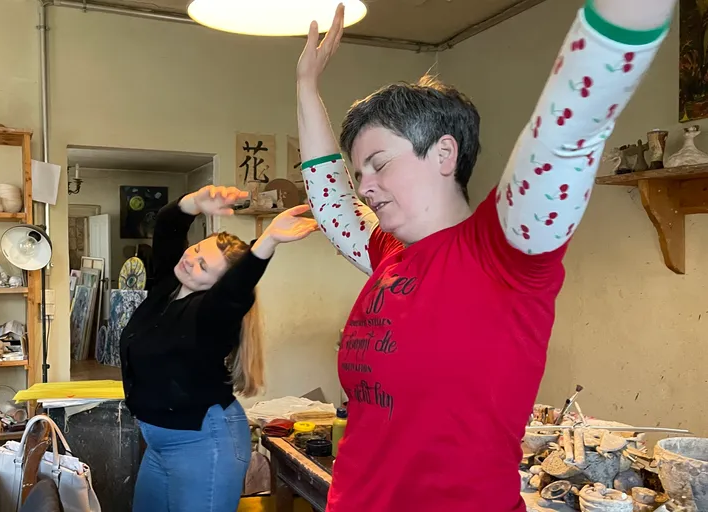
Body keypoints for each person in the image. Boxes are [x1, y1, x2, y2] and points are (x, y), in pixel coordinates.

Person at [296, 1, 673, 510]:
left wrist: (621, 21)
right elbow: (332, 201)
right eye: (360, 172)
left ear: (444, 153)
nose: (365, 187)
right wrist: (306, 87)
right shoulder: (390, 254)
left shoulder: (505, 251)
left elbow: (567, 134)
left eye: (379, 164)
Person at [120, 185, 316, 512]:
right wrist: (194, 202)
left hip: (204, 444)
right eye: (196, 249)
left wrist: (267, 241)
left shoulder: (211, 315)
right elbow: (168, 228)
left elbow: (235, 291)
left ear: (216, 285)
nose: (189, 260)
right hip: (159, 445)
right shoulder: (166, 288)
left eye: (203, 265)